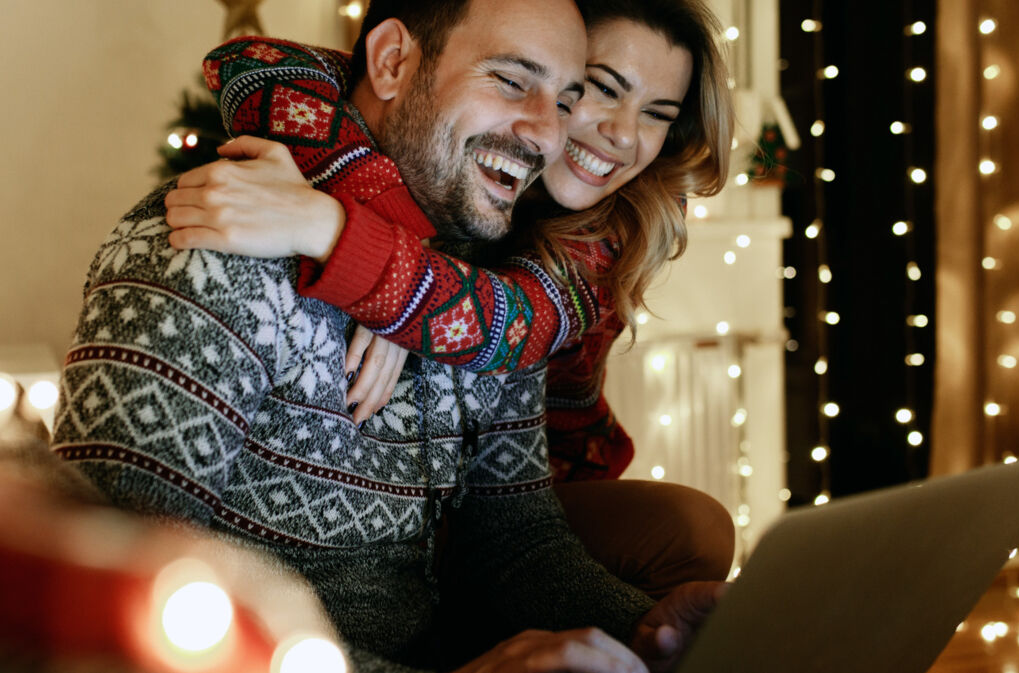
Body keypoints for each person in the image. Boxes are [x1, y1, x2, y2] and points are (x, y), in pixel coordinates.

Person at [51, 0, 720, 671]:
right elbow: (115, 600)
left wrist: (652, 629)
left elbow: (517, 542)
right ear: (393, 62)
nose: (550, 134)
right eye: (513, 81)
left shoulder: (484, 281)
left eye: (566, 96)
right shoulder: (213, 242)